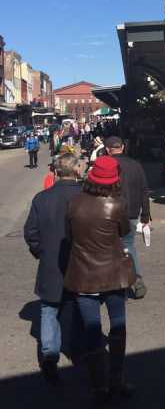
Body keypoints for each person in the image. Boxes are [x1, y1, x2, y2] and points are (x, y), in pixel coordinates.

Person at [64, 156, 135, 403]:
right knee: (118, 326)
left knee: (92, 330)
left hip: (84, 275)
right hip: (114, 273)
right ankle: (117, 378)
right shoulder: (118, 205)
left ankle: (99, 385)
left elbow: (69, 235)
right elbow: (124, 233)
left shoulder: (74, 203)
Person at [23, 154, 82, 383]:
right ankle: (77, 349)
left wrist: (42, 252)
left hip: (51, 264)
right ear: (76, 170)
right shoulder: (85, 195)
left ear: (56, 172)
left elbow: (31, 233)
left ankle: (50, 353)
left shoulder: (42, 198)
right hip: (80, 263)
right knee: (78, 307)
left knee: (49, 310)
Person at [105, 136, 151, 299]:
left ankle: (115, 284)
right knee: (129, 245)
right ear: (122, 147)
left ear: (107, 149)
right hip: (131, 213)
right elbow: (144, 190)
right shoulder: (135, 165)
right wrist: (145, 214)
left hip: (110, 213)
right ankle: (136, 279)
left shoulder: (107, 165)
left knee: (109, 248)